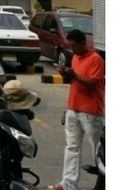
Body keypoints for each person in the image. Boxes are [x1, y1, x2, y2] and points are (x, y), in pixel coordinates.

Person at [50, 29, 105, 190]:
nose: (72, 49)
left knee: (99, 149)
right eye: (70, 46)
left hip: (91, 111)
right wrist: (66, 74)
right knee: (72, 148)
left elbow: (92, 83)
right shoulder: (75, 57)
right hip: (73, 108)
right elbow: (73, 81)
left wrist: (73, 75)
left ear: (83, 43)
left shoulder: (96, 59)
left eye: (74, 46)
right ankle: (68, 184)